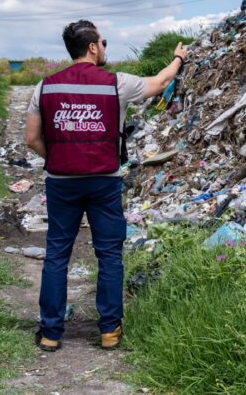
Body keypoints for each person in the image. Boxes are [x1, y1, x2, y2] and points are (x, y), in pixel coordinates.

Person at [24, 19, 187, 352]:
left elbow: (31, 139)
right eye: (104, 43)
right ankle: (110, 331)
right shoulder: (118, 83)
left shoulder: (45, 87)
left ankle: (51, 333)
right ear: (93, 47)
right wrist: (178, 58)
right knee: (110, 255)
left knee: (57, 254)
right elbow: (161, 82)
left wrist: (57, 159)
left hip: (61, 184)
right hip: (104, 182)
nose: (105, 48)